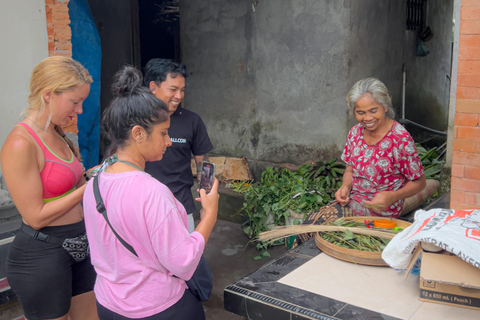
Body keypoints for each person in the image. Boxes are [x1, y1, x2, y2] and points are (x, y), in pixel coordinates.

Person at [82, 66, 219, 319]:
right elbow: (183, 262)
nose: (168, 141)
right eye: (164, 133)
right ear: (138, 133)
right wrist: (209, 214)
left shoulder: (95, 182)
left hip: (109, 304)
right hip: (156, 307)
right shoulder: (153, 192)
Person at [0, 56, 98, 319]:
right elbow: (35, 216)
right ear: (48, 95)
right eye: (74, 102)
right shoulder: (21, 143)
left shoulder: (59, 134)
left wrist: (96, 175)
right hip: (41, 253)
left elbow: (75, 183)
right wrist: (89, 188)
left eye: (82, 103)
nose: (79, 111)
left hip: (80, 243)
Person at [296, 78, 426, 245]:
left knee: (317, 228)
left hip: (381, 211)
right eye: (361, 112)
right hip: (353, 202)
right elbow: (350, 170)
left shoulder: (399, 138)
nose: (367, 118)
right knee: (308, 228)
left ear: (385, 107)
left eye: (373, 111)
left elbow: (419, 182)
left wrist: (392, 196)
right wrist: (345, 187)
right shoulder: (355, 133)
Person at [143, 58, 214, 232]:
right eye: (173, 90)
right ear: (153, 87)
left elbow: (204, 163)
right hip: (143, 207)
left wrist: (207, 201)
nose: (179, 96)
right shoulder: (136, 120)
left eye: (182, 90)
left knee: (188, 258)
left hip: (181, 207)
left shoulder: (191, 121)